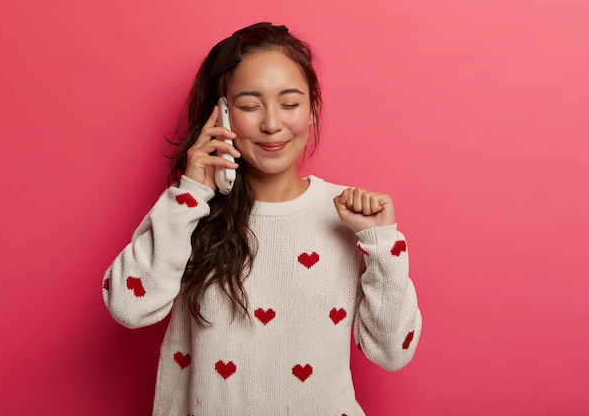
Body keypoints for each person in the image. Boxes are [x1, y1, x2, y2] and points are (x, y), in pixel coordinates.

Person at [103, 22, 422, 416]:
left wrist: (383, 245)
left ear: (313, 112)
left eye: (289, 104)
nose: (272, 124)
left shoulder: (349, 216)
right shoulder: (190, 211)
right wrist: (191, 192)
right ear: (221, 116)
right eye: (250, 106)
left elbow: (392, 352)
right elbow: (128, 307)